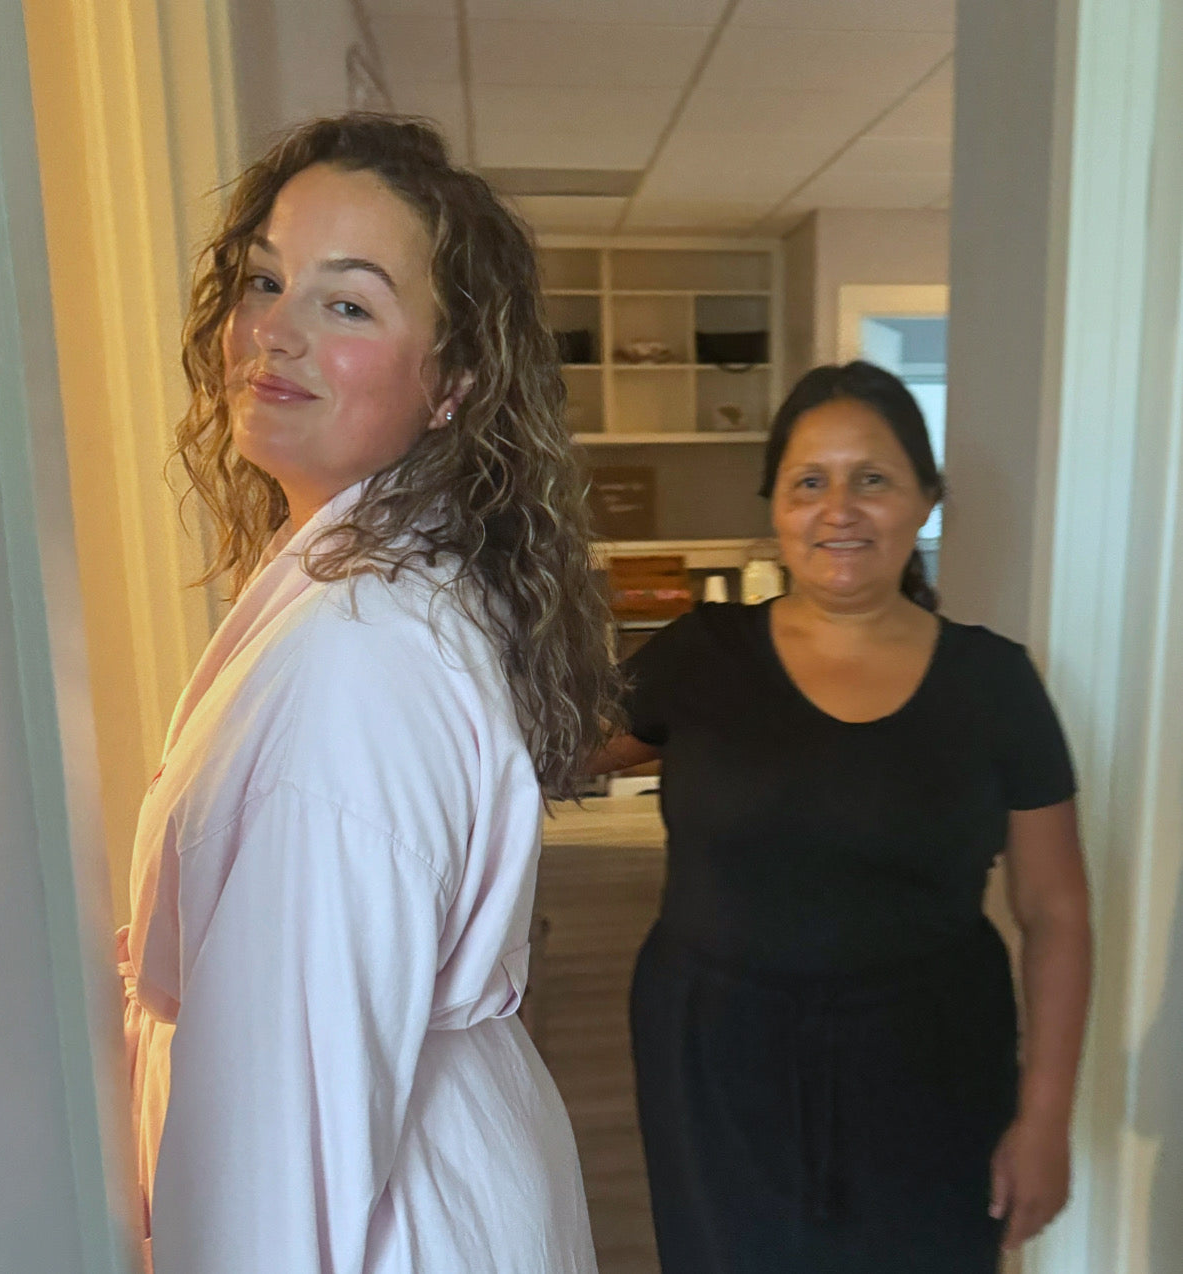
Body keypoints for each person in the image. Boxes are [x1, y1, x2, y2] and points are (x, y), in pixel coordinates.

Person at [115, 115, 620, 1274]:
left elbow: (278, 1179)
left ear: (452, 382)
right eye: (264, 280)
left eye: (346, 303)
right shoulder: (364, 596)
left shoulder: (352, 663)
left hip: (381, 1210)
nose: (274, 329)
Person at [592, 361, 1092, 1273]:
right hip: (714, 1064)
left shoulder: (994, 683)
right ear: (776, 506)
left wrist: (1047, 1116)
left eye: (872, 479)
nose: (839, 510)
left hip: (932, 1067)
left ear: (926, 499)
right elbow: (546, 752)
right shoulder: (702, 655)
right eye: (809, 483)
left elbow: (1056, 911)